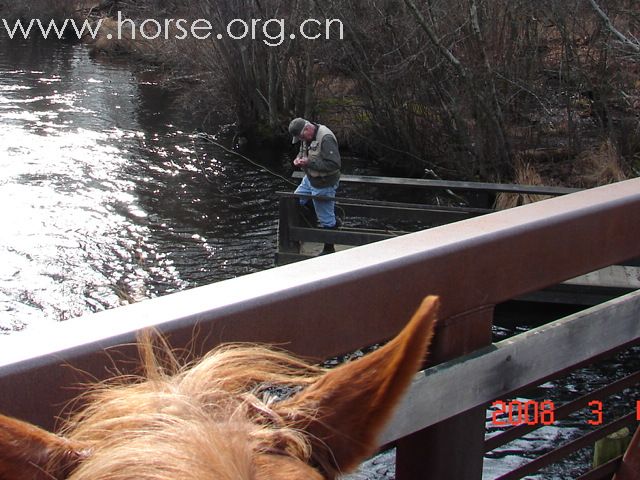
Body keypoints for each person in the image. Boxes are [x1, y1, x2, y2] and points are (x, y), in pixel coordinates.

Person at [289, 117, 341, 254]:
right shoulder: (306, 138)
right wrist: (298, 159)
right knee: (295, 201)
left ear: (307, 129)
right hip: (310, 179)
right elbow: (303, 151)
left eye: (301, 136)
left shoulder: (326, 138)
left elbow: (334, 164)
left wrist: (308, 163)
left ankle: (329, 249)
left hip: (325, 182)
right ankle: (331, 219)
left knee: (326, 219)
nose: (301, 140)